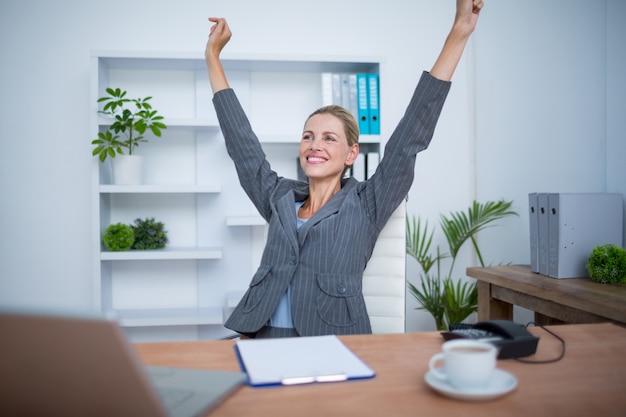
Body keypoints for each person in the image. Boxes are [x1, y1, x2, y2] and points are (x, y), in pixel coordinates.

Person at [205, 0, 484, 338]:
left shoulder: (367, 203)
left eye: (328, 138)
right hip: (260, 334)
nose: (314, 145)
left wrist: (459, 32)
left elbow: (411, 135)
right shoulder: (277, 196)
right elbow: (242, 144)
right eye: (308, 136)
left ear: (351, 153)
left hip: (329, 340)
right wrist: (213, 59)